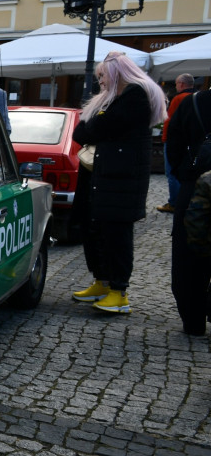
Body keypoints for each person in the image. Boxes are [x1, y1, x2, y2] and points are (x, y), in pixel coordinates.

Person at [71, 52, 167, 314]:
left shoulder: (134, 97)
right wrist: (94, 124)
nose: (99, 81)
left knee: (116, 234)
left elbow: (92, 130)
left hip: (121, 178)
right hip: (107, 175)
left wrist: (95, 125)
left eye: (102, 75)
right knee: (97, 230)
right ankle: (102, 283)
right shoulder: (115, 99)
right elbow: (82, 131)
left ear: (116, 74)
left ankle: (118, 291)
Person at [166, 84, 211, 335]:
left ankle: (193, 321)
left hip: (193, 184)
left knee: (188, 257)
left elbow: (173, 145)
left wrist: (185, 172)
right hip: (193, 183)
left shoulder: (193, 102)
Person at [158, 74, 195, 213]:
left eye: (176, 84)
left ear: (181, 84)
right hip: (189, 141)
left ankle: (174, 202)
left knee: (171, 172)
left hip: (174, 141)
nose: (175, 86)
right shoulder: (196, 97)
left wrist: (164, 138)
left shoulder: (178, 98)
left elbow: (169, 120)